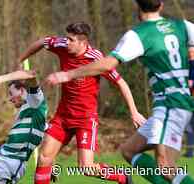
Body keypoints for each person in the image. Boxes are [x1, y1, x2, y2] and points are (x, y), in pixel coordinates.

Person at [45, 0, 194, 183]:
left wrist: (68, 75)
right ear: (161, 5)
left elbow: (108, 64)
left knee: (165, 166)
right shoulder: (182, 26)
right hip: (169, 106)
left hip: (171, 104)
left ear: (137, 7)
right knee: (128, 151)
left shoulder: (139, 34)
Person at [17, 22, 145, 184]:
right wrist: (21, 59)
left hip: (85, 119)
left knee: (86, 167)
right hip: (63, 117)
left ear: (83, 42)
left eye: (71, 40)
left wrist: (133, 111)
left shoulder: (96, 58)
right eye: (66, 38)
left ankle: (121, 176)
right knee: (44, 158)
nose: (66, 42)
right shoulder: (62, 45)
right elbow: (42, 42)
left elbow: (121, 83)